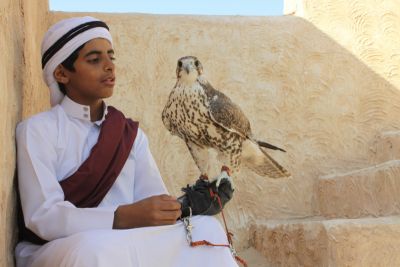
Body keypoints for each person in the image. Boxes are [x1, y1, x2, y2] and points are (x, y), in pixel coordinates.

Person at [15, 16, 238, 267]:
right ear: (62, 73)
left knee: (206, 229)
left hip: (125, 240)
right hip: (62, 246)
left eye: (111, 57)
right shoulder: (37, 130)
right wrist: (119, 217)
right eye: (95, 59)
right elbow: (44, 218)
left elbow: (152, 203)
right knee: (94, 249)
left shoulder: (128, 134)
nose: (109, 66)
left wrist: (186, 206)